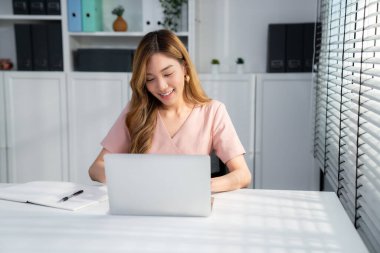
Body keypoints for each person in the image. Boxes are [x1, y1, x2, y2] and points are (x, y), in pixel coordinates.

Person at [89, 29, 252, 193]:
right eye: (150, 79)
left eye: (168, 73)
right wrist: (134, 180)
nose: (161, 86)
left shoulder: (213, 112)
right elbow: (96, 168)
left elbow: (243, 175)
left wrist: (200, 186)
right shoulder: (136, 111)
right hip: (144, 209)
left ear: (185, 69)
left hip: (190, 206)